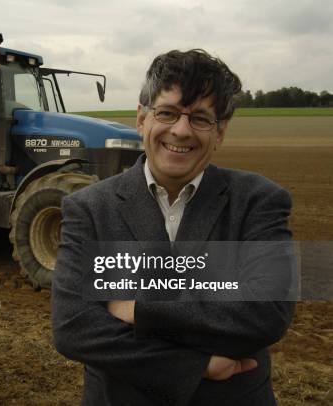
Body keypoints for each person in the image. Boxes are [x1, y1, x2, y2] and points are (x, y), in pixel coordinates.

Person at [51, 49, 295, 405]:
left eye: (199, 118)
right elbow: (74, 327)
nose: (180, 131)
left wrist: (138, 309)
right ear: (141, 119)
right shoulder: (88, 209)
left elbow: (267, 313)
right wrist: (194, 364)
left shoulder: (258, 201)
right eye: (167, 113)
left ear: (220, 132)